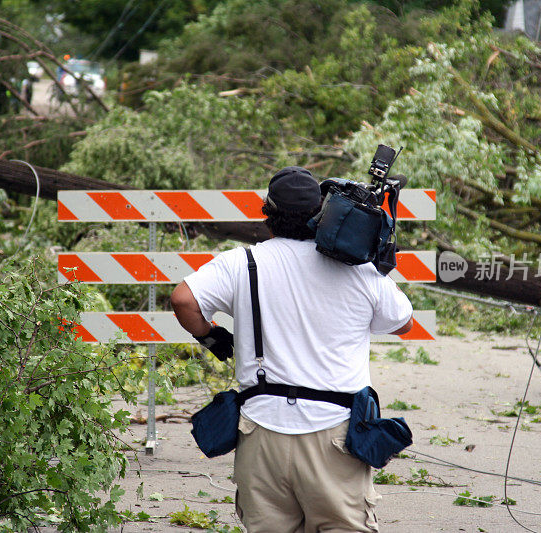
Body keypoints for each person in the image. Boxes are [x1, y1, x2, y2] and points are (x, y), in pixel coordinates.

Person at [170, 166, 413, 533]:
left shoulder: (242, 263)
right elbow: (403, 322)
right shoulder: (360, 269)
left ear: (267, 213)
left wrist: (212, 336)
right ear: (323, 213)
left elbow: (182, 300)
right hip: (335, 435)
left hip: (260, 432)